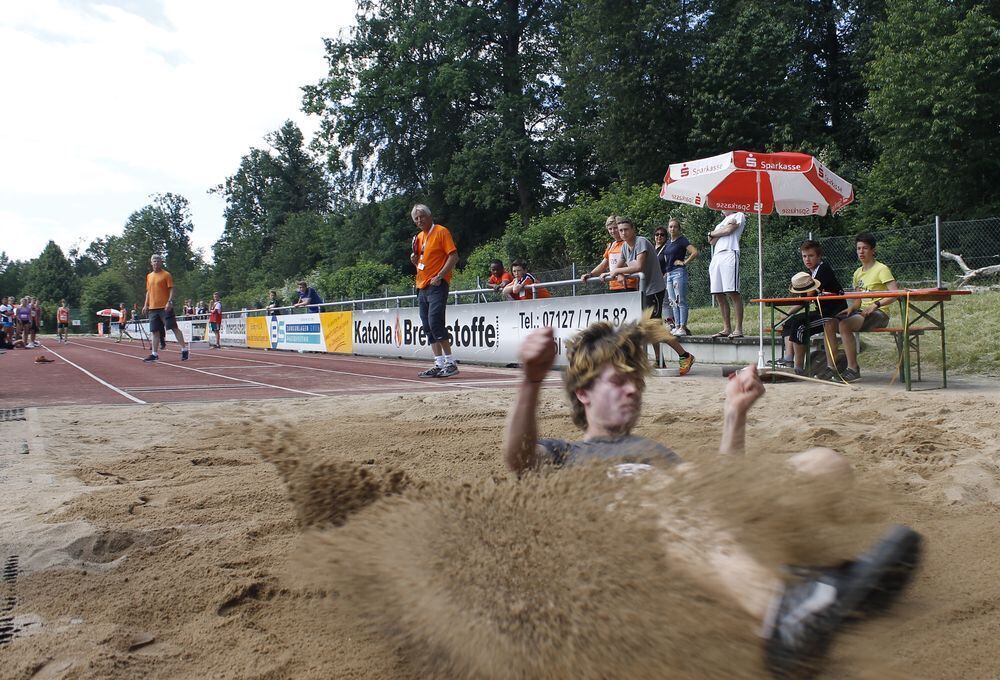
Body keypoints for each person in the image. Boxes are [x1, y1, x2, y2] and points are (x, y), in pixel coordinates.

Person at [502, 317, 922, 678]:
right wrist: (530, 380)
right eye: (618, 382)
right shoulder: (564, 453)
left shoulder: (656, 454)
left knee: (824, 463)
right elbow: (519, 459)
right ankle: (783, 609)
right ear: (583, 393)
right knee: (668, 500)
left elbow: (723, 495)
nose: (632, 391)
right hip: (626, 559)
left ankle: (820, 587)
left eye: (636, 382)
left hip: (690, 536)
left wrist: (734, 414)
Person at [608, 218, 694, 375]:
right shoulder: (625, 247)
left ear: (633, 229)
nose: (623, 233)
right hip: (643, 290)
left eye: (626, 229)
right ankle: (659, 360)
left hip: (654, 289)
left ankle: (685, 355)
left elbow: (639, 266)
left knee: (653, 327)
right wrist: (611, 273)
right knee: (649, 327)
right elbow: (618, 267)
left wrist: (619, 272)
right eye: (621, 230)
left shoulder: (641, 242)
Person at [772, 241, 847, 377]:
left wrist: (799, 293)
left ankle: (798, 368)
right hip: (822, 313)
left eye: (811, 256)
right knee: (790, 321)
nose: (807, 259)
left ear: (819, 256)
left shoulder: (823, 269)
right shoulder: (810, 274)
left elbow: (809, 296)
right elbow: (803, 301)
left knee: (800, 325)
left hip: (834, 314)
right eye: (804, 256)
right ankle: (788, 359)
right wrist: (787, 314)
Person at [833, 233, 899, 383]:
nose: (861, 252)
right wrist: (851, 308)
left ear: (873, 250)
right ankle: (832, 365)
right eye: (858, 248)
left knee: (844, 325)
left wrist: (876, 305)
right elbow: (858, 299)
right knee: (830, 322)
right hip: (860, 312)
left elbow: (895, 294)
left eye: (865, 248)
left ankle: (853, 368)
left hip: (879, 314)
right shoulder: (857, 273)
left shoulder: (881, 269)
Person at [410, 204, 460, 378]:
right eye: (416, 218)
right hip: (422, 286)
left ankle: (451, 362)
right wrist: (415, 261)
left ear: (429, 216)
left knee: (435, 322)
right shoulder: (418, 237)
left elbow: (454, 256)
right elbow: (421, 263)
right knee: (427, 326)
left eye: (422, 216)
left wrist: (440, 275)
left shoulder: (441, 231)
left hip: (437, 285)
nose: (419, 220)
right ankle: (438, 363)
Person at [141, 254, 189, 362]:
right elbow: (148, 291)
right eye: (154, 261)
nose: (156, 262)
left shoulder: (166, 274)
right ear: (151, 262)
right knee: (155, 331)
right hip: (153, 308)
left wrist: (169, 301)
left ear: (161, 262)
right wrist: (145, 304)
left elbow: (171, 289)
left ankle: (184, 349)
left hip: (165, 307)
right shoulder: (149, 276)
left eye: (158, 261)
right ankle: (154, 353)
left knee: (173, 327)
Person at [707, 209, 746, 338]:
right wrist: (714, 233)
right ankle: (726, 328)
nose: (722, 208)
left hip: (730, 252)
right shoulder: (720, 223)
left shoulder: (739, 215)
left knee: (732, 292)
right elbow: (711, 241)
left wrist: (713, 233)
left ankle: (738, 329)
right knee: (718, 293)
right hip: (717, 255)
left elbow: (729, 230)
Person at [656, 219, 698, 337]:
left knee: (680, 300)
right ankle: (677, 325)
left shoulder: (682, 240)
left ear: (679, 229)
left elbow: (694, 252)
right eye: (670, 227)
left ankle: (682, 327)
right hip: (669, 274)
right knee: (672, 301)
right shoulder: (668, 242)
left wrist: (684, 262)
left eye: (675, 227)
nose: (672, 229)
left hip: (678, 272)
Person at [580, 215, 638, 292]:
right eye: (610, 229)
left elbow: (633, 264)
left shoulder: (629, 243)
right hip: (613, 285)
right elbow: (604, 264)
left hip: (629, 284)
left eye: (615, 228)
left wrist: (617, 272)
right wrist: (590, 274)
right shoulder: (611, 245)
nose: (613, 231)